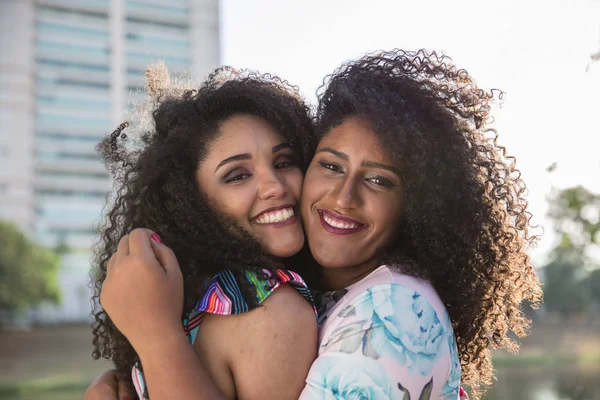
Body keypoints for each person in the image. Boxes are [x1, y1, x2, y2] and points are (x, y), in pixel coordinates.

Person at [87, 49, 542, 399]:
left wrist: (155, 334)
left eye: (380, 180)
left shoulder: (390, 312)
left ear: (416, 205)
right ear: (188, 202)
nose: (344, 196)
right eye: (329, 166)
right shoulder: (257, 294)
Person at [87, 63, 319, 399]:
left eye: (284, 162)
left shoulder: (238, 305)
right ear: (191, 203)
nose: (275, 186)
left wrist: (155, 336)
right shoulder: (269, 306)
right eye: (238, 175)